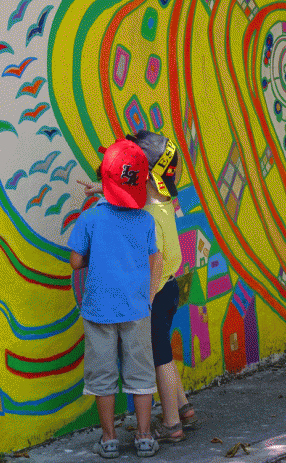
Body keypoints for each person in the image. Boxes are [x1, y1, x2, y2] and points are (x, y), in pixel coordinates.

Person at [77, 130, 198, 444]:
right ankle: (183, 408)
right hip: (170, 287)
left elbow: (154, 262)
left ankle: (172, 424)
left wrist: (145, 299)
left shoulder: (146, 214)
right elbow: (128, 195)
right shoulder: (162, 199)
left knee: (159, 357)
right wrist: (102, 188)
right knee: (163, 349)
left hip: (154, 293)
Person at [68, 139, 161, 458]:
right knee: (141, 375)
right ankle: (145, 437)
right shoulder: (145, 219)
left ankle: (109, 440)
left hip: (99, 310)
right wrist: (148, 296)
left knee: (102, 376)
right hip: (136, 308)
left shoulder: (90, 219)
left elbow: (76, 262)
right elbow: (154, 259)